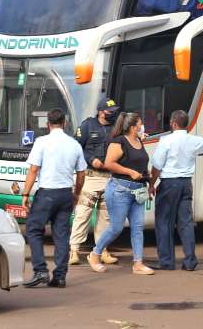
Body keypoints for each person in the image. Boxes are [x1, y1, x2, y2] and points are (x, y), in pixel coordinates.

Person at [22, 108, 87, 288]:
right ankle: (60, 276)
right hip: (65, 193)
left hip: (46, 193)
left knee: (34, 230)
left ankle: (40, 270)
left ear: (47, 124)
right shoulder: (74, 144)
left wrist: (25, 194)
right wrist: (76, 194)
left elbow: (33, 170)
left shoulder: (42, 142)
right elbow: (81, 175)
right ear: (65, 123)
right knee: (61, 235)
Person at [87, 112, 154, 275]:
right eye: (140, 123)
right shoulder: (118, 142)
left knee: (138, 227)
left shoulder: (139, 140)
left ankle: (138, 263)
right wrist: (130, 172)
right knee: (116, 227)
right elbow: (109, 164)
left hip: (138, 190)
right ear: (133, 127)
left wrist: (149, 182)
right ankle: (95, 255)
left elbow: (141, 162)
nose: (142, 126)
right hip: (119, 190)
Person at [148, 108, 203, 271]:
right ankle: (190, 261)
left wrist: (151, 184)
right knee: (186, 223)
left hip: (169, 184)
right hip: (186, 184)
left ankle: (166, 261)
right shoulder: (193, 140)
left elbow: (156, 166)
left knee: (164, 222)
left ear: (174, 124)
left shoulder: (166, 141)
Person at [69, 97, 120, 266]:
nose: (112, 115)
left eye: (114, 112)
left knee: (106, 217)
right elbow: (76, 148)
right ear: (100, 111)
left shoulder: (116, 128)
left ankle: (102, 251)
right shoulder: (87, 126)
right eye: (109, 112)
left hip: (110, 178)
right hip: (90, 177)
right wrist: (91, 159)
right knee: (83, 214)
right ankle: (74, 251)